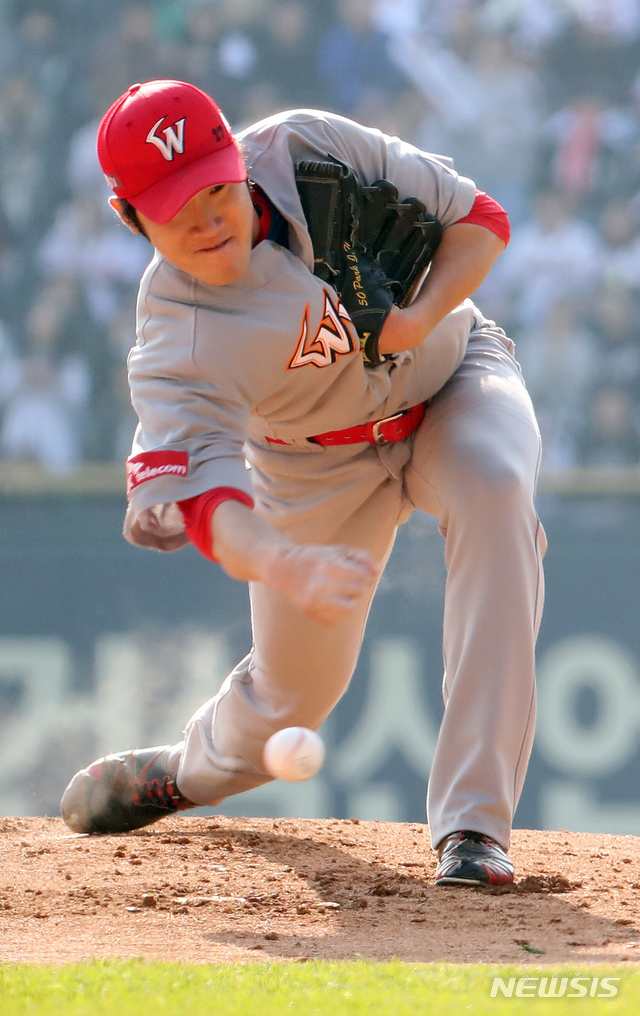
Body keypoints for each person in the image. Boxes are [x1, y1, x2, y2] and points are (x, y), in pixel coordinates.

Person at [60, 79, 546, 888]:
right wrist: (284, 564)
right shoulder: (175, 338)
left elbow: (483, 221)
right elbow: (210, 503)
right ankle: (185, 773)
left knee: (497, 489)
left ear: (234, 156)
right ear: (130, 218)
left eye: (216, 186)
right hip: (311, 461)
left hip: (452, 381)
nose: (209, 218)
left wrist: (415, 319)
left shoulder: (305, 150)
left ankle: (472, 828)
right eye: (177, 207)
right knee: (289, 704)